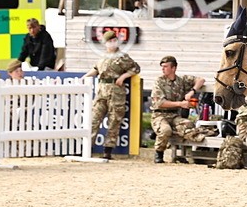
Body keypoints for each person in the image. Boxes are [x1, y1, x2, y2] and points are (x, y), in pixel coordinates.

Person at [82, 31, 140, 160]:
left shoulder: (122, 57)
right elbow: (96, 69)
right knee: (94, 119)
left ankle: (108, 150)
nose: (112, 43)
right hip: (102, 90)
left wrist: (123, 76)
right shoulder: (103, 56)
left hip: (116, 91)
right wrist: (85, 76)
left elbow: (135, 68)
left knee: (114, 121)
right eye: (110, 41)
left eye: (114, 40)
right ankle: (87, 148)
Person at [149, 55, 206, 164]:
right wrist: (181, 104)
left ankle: (182, 152)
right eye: (162, 67)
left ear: (173, 68)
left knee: (188, 125)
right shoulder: (159, 81)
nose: (163, 69)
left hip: (175, 115)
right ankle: (159, 153)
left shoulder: (181, 80)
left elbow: (201, 80)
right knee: (166, 130)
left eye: (165, 66)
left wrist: (192, 91)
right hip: (159, 115)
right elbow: (160, 103)